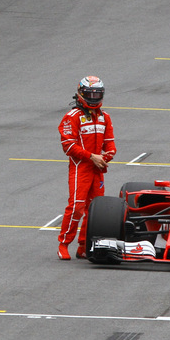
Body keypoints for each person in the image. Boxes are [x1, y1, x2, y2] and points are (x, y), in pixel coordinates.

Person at [57, 76, 116, 260]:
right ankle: (64, 244)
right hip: (80, 168)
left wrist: (104, 158)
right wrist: (92, 157)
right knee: (76, 207)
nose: (93, 97)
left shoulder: (105, 117)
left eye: (97, 93)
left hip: (97, 169)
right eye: (90, 93)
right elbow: (68, 146)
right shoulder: (72, 117)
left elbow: (111, 147)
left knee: (95, 210)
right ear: (81, 94)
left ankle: (84, 245)